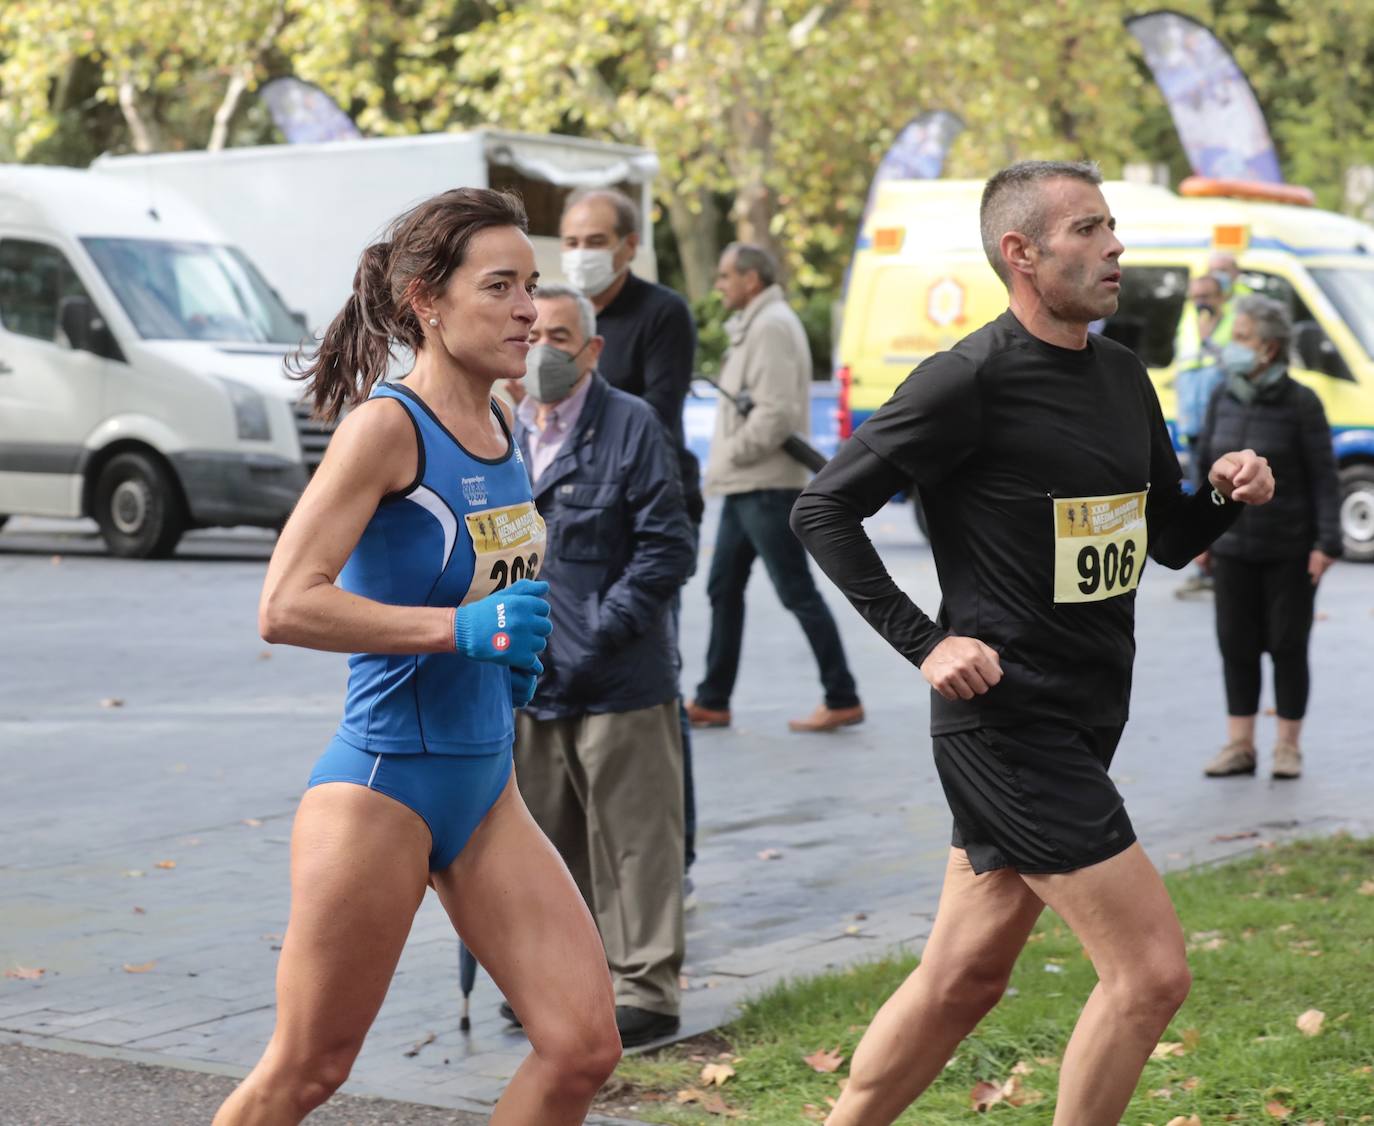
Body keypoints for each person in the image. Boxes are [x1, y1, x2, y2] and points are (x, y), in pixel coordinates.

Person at [790, 160, 1274, 1126]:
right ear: (1022, 252)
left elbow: (1162, 538)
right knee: (1150, 976)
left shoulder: (1122, 375)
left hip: (1091, 709)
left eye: (1111, 228)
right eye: (1088, 229)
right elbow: (822, 508)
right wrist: (926, 644)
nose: (1115, 247)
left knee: (961, 979)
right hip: (1009, 723)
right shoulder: (965, 379)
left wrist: (1222, 494)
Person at [212, 190, 621, 1126]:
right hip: (383, 786)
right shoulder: (386, 428)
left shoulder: (506, 422)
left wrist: (513, 646)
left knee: (582, 1046)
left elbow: (489, 578)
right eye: (500, 286)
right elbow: (286, 604)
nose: (528, 310)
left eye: (532, 285)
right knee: (308, 1071)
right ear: (424, 303)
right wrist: (458, 634)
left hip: (486, 786)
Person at [509, 282, 696, 1047]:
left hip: (619, 678)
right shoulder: (500, 429)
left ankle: (646, 991)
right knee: (546, 849)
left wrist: (595, 634)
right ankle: (561, 988)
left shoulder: (632, 424)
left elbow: (666, 547)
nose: (544, 350)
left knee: (633, 845)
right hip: (528, 680)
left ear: (592, 350)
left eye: (562, 336)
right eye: (534, 335)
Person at [559, 187, 703, 880]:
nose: (581, 253)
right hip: (571, 535)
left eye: (595, 241)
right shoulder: (553, 312)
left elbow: (659, 418)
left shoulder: (660, 313)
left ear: (627, 246)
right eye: (572, 240)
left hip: (644, 514)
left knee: (652, 689)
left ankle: (676, 854)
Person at [686, 243, 864, 733]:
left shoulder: (771, 326)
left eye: (725, 276)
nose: (719, 284)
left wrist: (728, 454)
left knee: (796, 592)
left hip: (765, 484)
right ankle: (713, 699)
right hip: (748, 485)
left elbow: (775, 415)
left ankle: (842, 694)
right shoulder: (757, 324)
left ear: (751, 279)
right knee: (724, 588)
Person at [1194, 294, 1342, 779]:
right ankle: (1240, 745)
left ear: (1269, 349)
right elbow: (1203, 468)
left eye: (1241, 338)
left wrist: (1326, 544)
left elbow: (1324, 477)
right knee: (1234, 646)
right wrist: (1198, 532)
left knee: (1287, 646)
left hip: (1290, 550)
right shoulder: (1222, 394)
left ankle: (1287, 748)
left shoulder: (1302, 402)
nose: (1230, 347)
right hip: (1232, 548)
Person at [1172, 269, 1236, 597]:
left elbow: (1234, 369)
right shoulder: (1187, 325)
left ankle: (1221, 567)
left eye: (1206, 297)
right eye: (1195, 297)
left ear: (1220, 297)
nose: (1199, 303)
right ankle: (1204, 568)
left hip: (1223, 426)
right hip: (1192, 426)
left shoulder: (1230, 324)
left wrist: (1210, 336)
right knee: (1199, 496)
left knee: (1222, 497)